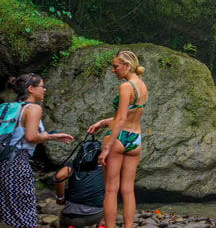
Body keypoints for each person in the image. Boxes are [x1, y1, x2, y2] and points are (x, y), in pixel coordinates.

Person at [0, 73, 74, 227]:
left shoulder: (12, 107)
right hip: (17, 163)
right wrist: (47, 136)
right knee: (24, 212)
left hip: (4, 162)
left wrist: (53, 136)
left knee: (8, 211)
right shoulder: (33, 108)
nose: (44, 90)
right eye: (42, 86)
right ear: (31, 89)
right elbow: (31, 137)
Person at [87, 51, 148, 228]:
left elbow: (120, 119)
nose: (113, 71)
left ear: (127, 66)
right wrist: (103, 122)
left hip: (118, 138)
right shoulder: (142, 86)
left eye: (116, 67)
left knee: (111, 190)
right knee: (128, 191)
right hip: (135, 138)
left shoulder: (126, 87)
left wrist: (106, 148)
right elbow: (128, 115)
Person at [54, 147, 105, 227]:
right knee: (109, 201)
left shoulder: (74, 165)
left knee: (65, 220)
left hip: (72, 217)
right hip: (97, 215)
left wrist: (60, 198)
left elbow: (60, 176)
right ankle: (102, 224)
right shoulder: (105, 167)